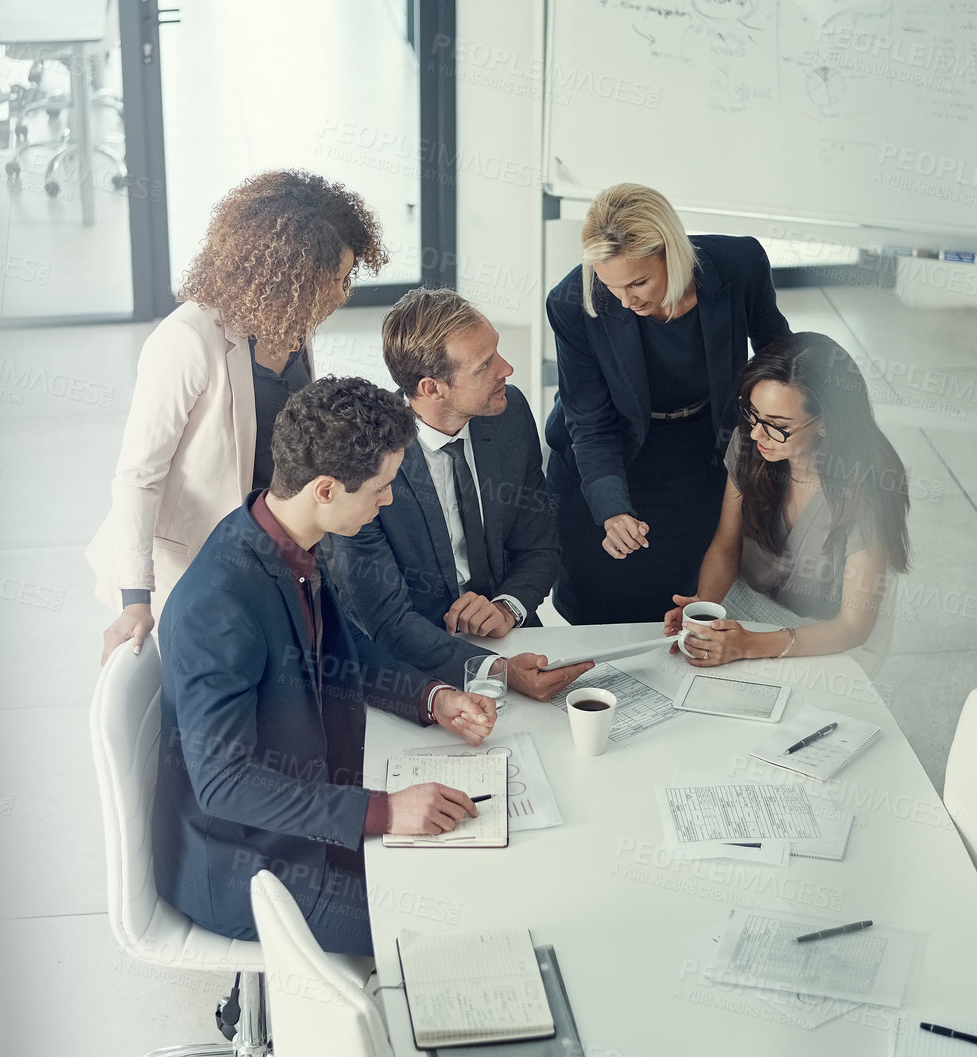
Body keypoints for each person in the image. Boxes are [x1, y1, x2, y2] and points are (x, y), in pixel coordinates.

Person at [152, 376, 499, 956]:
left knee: (470, 873)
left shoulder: (283, 537)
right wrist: (384, 810)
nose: (388, 500)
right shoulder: (220, 606)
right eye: (382, 488)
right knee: (452, 925)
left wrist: (432, 698)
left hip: (304, 813)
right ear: (326, 489)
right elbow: (224, 785)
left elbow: (340, 651)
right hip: (250, 867)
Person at [87, 170, 387, 662]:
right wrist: (135, 601)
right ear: (289, 275)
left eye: (346, 278)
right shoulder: (186, 340)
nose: (340, 295)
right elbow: (138, 477)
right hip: (194, 564)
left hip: (268, 547)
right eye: (332, 279)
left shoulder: (292, 327)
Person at [326, 288, 594, 701]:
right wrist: (495, 671)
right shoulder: (363, 461)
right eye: (485, 365)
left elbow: (540, 546)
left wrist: (507, 607)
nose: (507, 368)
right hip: (415, 666)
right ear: (433, 388)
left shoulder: (509, 413)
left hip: (511, 637)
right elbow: (385, 619)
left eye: (497, 353)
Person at [544, 182, 792, 624]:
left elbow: (779, 356)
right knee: (598, 603)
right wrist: (612, 508)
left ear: (672, 252)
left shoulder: (739, 266)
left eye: (639, 281)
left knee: (682, 598)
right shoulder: (571, 302)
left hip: (700, 448)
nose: (626, 300)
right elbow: (590, 422)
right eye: (611, 286)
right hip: (606, 454)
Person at [664, 332, 911, 666]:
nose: (755, 434)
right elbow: (726, 543)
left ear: (826, 424)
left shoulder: (866, 493)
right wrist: (705, 613)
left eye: (778, 426)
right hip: (749, 605)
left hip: (822, 635)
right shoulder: (749, 443)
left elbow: (853, 627)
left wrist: (747, 646)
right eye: (752, 414)